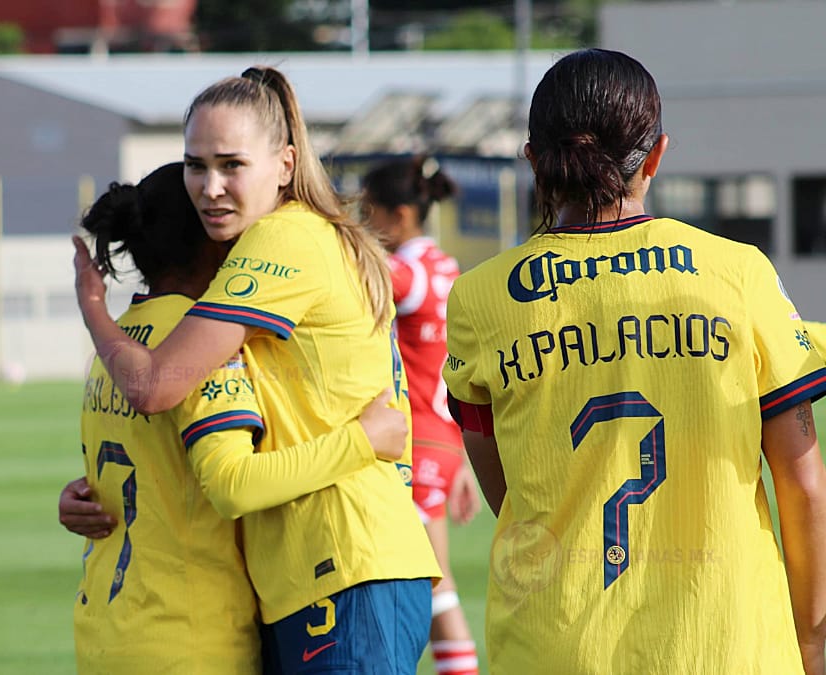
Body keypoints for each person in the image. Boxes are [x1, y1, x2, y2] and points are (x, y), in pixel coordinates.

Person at [442, 48, 826, 673]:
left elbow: (511, 487)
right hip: (723, 644)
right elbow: (802, 483)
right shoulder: (737, 273)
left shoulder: (479, 298)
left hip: (553, 645)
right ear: (656, 155)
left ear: (534, 161)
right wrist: (811, 642)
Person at [74, 66, 440, 674]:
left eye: (231, 165)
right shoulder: (298, 235)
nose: (210, 187)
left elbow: (155, 385)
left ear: (286, 164)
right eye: (196, 165)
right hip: (312, 569)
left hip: (343, 559)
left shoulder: (285, 239)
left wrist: (93, 308)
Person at [361, 155, 481, 675]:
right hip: (440, 442)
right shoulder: (445, 265)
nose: (364, 225)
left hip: (416, 444)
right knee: (430, 581)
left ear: (401, 215)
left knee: (432, 583)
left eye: (368, 213)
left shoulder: (405, 273)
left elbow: (359, 265)